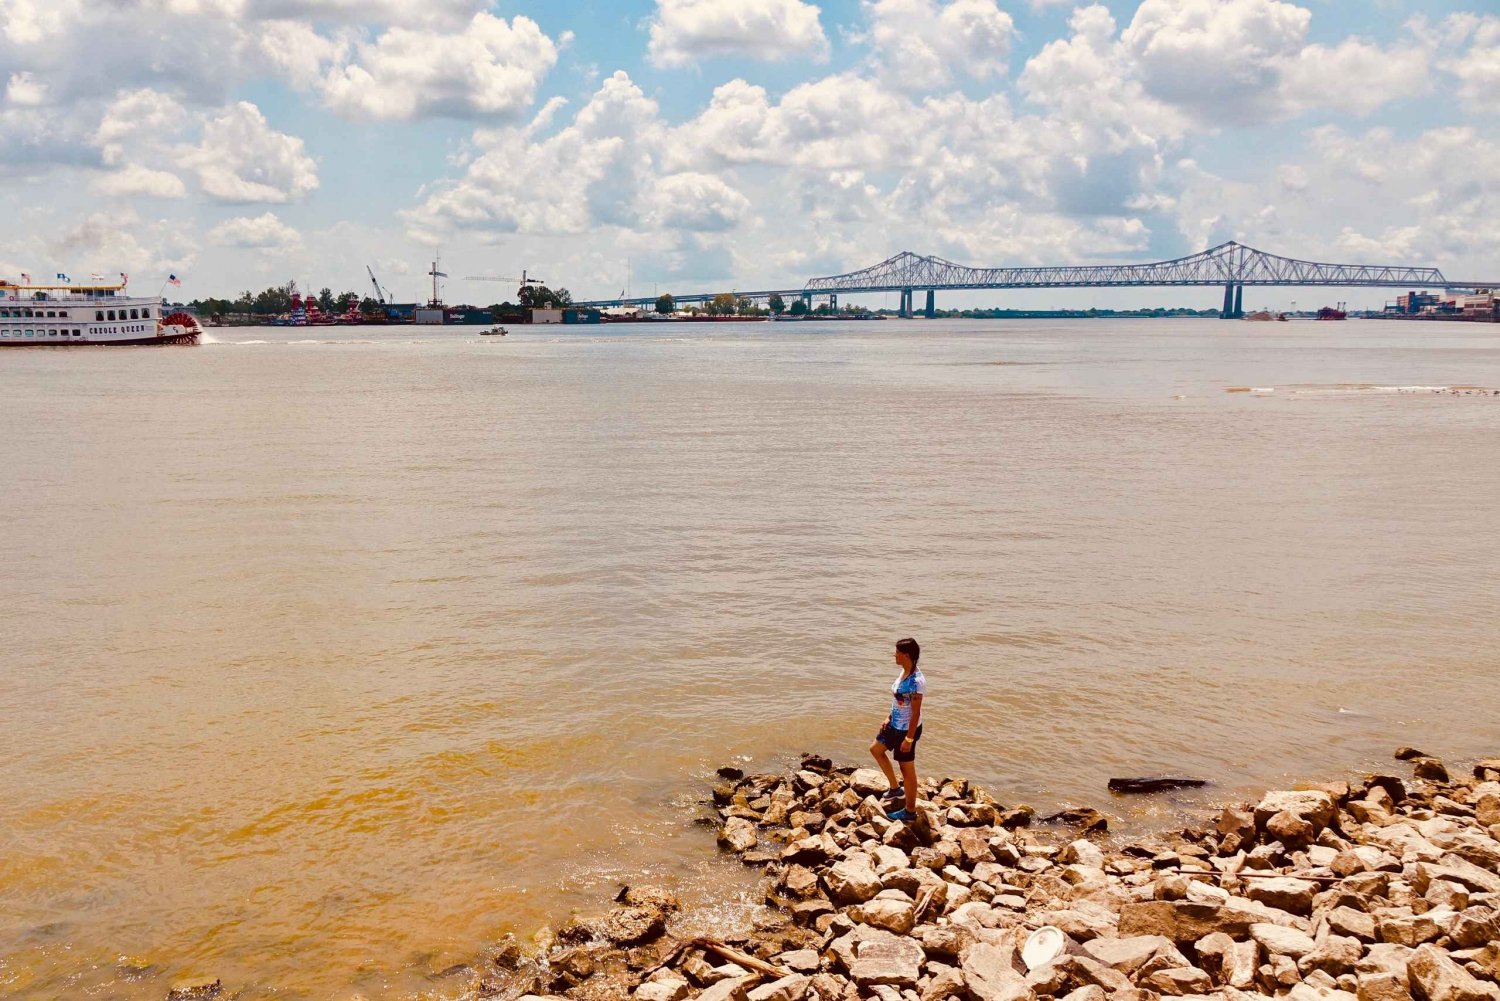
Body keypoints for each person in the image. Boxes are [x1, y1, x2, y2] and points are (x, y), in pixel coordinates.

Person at [868, 637, 924, 820]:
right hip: (894, 724)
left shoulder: (916, 681)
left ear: (906, 655)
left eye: (897, 652)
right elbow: (899, 702)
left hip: (906, 730)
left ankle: (910, 811)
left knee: (906, 769)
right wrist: (888, 717)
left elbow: (915, 713)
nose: (895, 655)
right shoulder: (903, 672)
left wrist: (909, 739)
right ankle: (894, 788)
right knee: (876, 749)